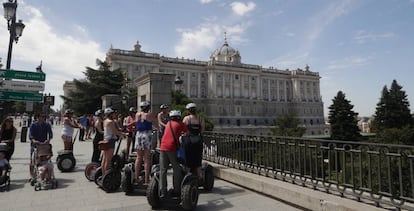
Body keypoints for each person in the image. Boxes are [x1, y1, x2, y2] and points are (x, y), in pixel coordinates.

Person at [159, 110, 188, 198]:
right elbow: (187, 133)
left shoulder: (168, 123)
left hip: (163, 147)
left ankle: (162, 191)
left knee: (163, 170)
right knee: (177, 169)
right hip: (172, 148)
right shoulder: (180, 124)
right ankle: (176, 190)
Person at [134, 101, 158, 184]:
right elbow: (155, 123)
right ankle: (146, 179)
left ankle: (136, 177)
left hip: (138, 135)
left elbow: (136, 124)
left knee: (138, 157)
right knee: (147, 158)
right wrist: (158, 129)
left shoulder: (137, 114)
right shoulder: (149, 114)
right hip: (146, 134)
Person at [182, 103, 205, 181]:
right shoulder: (200, 119)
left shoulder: (186, 119)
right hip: (198, 141)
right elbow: (202, 131)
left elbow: (183, 130)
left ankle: (187, 177)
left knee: (188, 160)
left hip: (189, 141)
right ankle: (200, 177)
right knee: (198, 160)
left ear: (188, 111)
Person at [101, 108, 126, 175]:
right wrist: (123, 134)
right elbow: (115, 132)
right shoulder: (110, 122)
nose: (114, 114)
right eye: (113, 113)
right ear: (110, 114)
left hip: (105, 140)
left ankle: (103, 174)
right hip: (110, 141)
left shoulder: (105, 121)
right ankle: (107, 175)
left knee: (104, 159)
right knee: (108, 160)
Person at [29, 113, 53, 179]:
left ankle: (45, 173)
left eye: (44, 117)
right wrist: (33, 140)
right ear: (38, 117)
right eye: (42, 116)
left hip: (44, 144)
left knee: (45, 158)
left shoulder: (47, 124)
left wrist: (48, 139)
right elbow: (30, 134)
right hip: (35, 144)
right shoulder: (33, 125)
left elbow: (50, 133)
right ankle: (31, 176)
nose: (43, 118)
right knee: (32, 160)